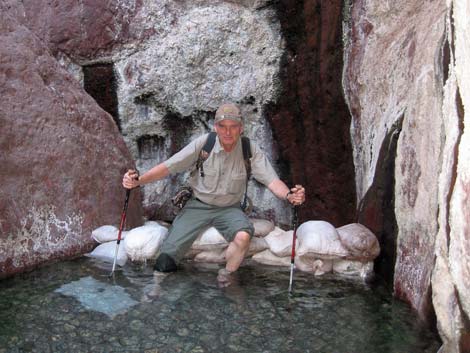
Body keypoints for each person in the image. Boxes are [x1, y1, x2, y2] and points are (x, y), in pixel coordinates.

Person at [123, 103, 305, 286]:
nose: (228, 132)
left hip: (230, 208)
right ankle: (156, 287)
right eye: (223, 126)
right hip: (197, 205)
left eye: (233, 127)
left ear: (241, 128)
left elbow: (272, 181)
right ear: (215, 127)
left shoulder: (249, 149)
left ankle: (227, 273)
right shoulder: (204, 144)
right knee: (166, 257)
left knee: (243, 236)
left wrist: (290, 196)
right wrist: (139, 181)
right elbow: (169, 167)